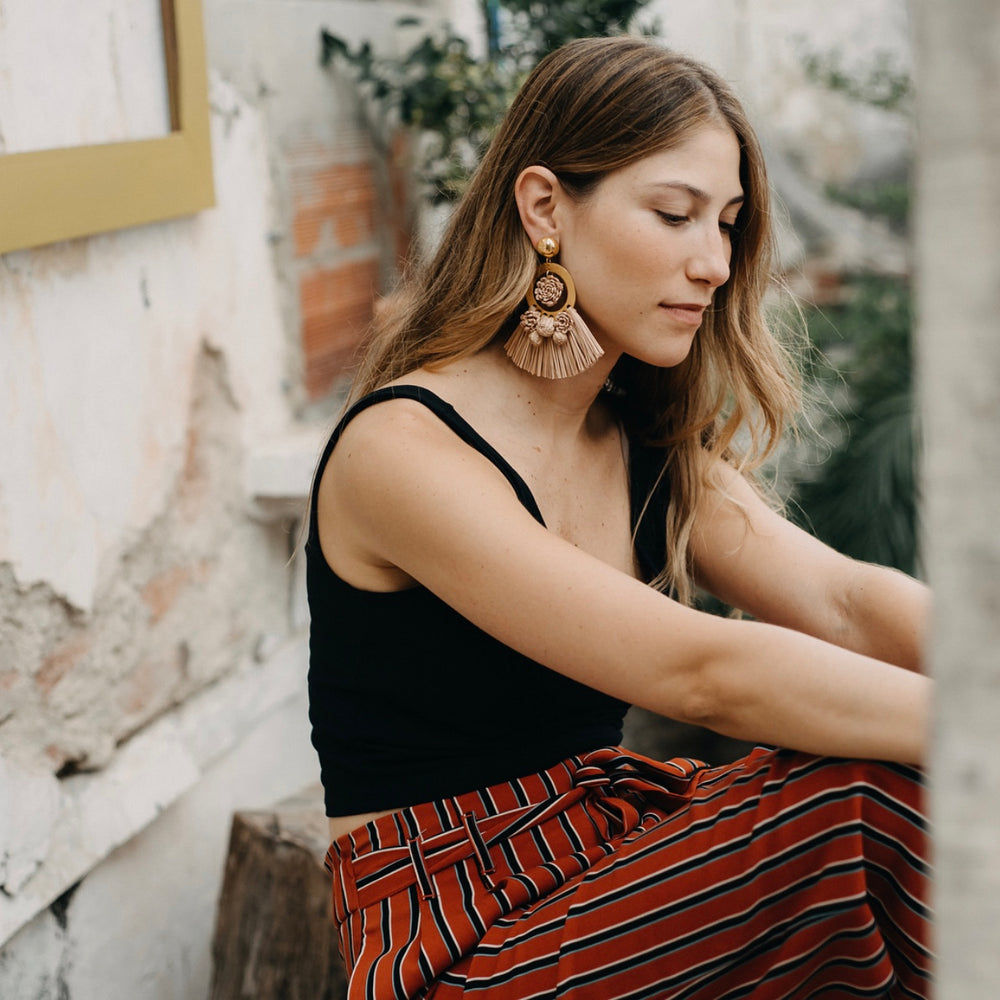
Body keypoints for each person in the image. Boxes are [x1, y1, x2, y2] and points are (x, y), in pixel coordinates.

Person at [306, 36, 931, 999]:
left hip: (611, 864)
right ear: (545, 208)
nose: (714, 262)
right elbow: (705, 674)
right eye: (675, 215)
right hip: (459, 942)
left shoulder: (640, 444)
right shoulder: (403, 450)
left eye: (728, 224)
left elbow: (844, 601)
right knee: (873, 801)